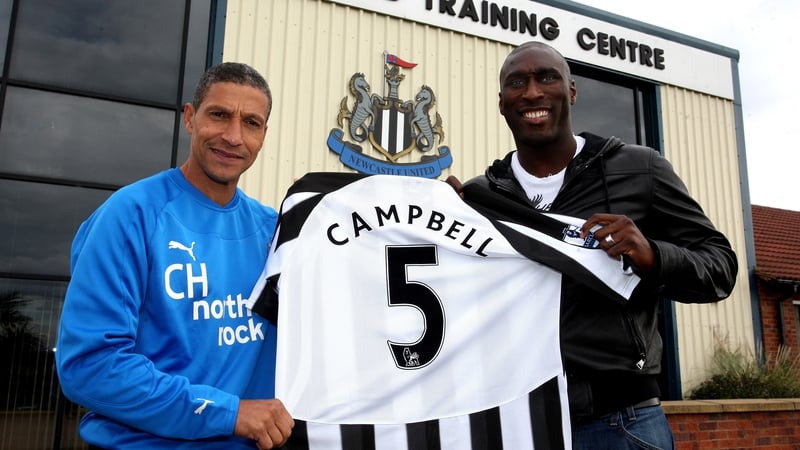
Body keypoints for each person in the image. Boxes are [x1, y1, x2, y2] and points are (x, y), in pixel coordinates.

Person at [447, 41, 738, 449]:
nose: (532, 92)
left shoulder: (641, 169)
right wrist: (441, 227)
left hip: (621, 422)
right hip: (515, 420)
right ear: (501, 103)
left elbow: (720, 267)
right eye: (517, 82)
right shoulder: (480, 195)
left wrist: (653, 256)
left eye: (546, 77)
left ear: (571, 91)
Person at [55, 62, 294, 449]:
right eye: (219, 115)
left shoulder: (278, 233)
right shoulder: (131, 215)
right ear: (190, 118)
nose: (233, 136)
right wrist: (228, 412)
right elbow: (91, 367)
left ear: (263, 135)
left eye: (251, 123)